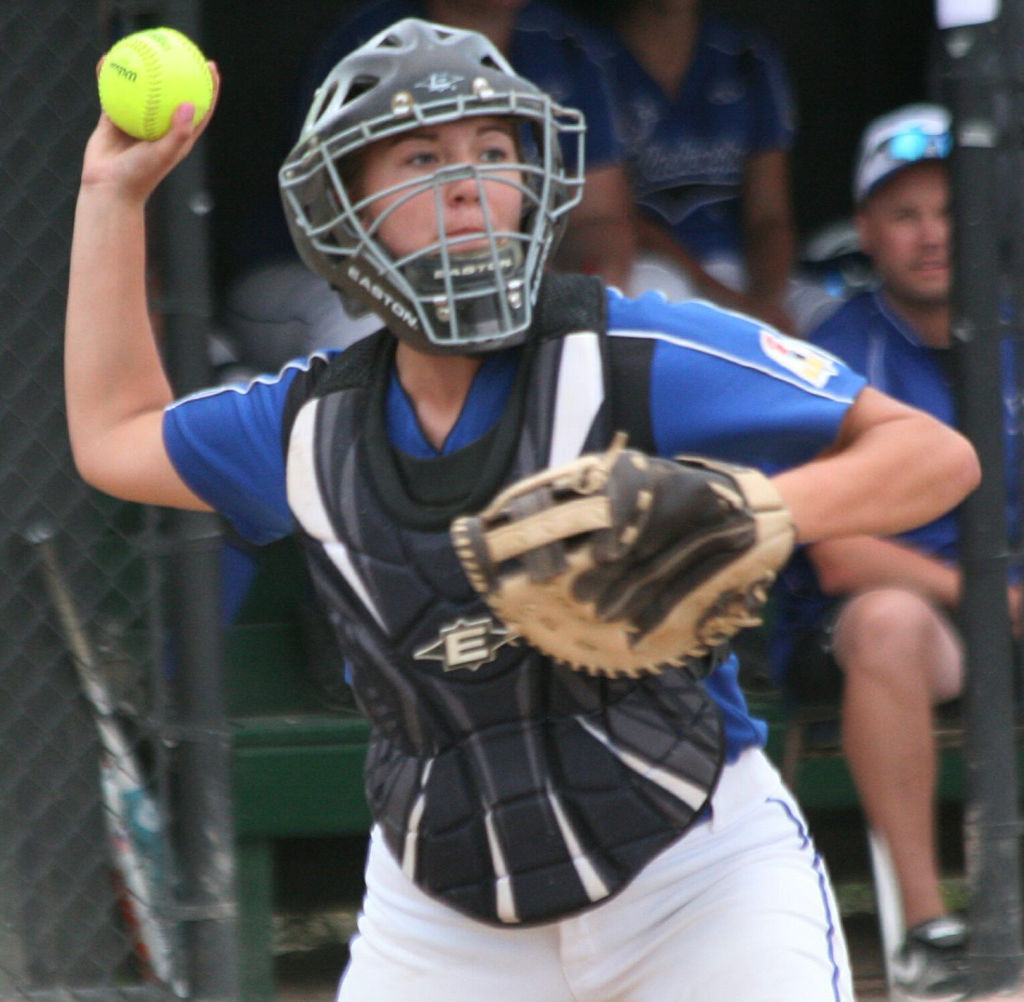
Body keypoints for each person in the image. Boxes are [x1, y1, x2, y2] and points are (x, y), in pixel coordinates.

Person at [67, 22, 979, 1001]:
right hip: (441, 917)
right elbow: (117, 437)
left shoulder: (630, 342)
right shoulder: (309, 419)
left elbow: (932, 455)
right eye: (420, 156)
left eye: (492, 154)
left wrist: (744, 509)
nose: (465, 182)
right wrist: (110, 196)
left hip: (696, 877)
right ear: (344, 206)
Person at [771, 103, 1003, 1001]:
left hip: (997, 610)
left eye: (949, 209)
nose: (932, 235)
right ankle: (926, 934)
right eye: (905, 215)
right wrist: (991, 598)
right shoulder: (832, 353)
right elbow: (839, 555)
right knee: (889, 622)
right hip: (878, 624)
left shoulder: (1014, 332)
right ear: (866, 229)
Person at [594, 0, 836, 335]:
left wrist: (765, 303)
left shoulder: (744, 55)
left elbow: (770, 217)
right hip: (650, 269)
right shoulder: (590, 58)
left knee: (832, 318)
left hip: (741, 269)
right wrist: (735, 305)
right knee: (663, 309)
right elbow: (613, 220)